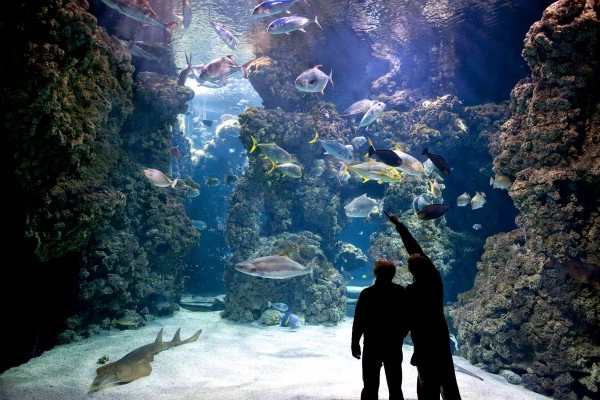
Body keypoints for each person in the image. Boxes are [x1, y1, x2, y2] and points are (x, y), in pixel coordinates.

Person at [384, 210, 462, 400]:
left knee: (427, 383)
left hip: (424, 341)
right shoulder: (435, 280)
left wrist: (395, 338)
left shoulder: (410, 292)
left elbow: (405, 320)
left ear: (411, 271)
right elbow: (416, 250)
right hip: (440, 336)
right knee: (448, 380)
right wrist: (400, 225)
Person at [351, 258, 409, 400]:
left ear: (375, 273)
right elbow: (407, 317)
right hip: (393, 345)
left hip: (372, 345)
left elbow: (359, 321)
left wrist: (355, 342)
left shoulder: (367, 293)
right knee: (395, 387)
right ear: (393, 274)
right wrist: (401, 334)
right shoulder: (400, 292)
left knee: (370, 387)